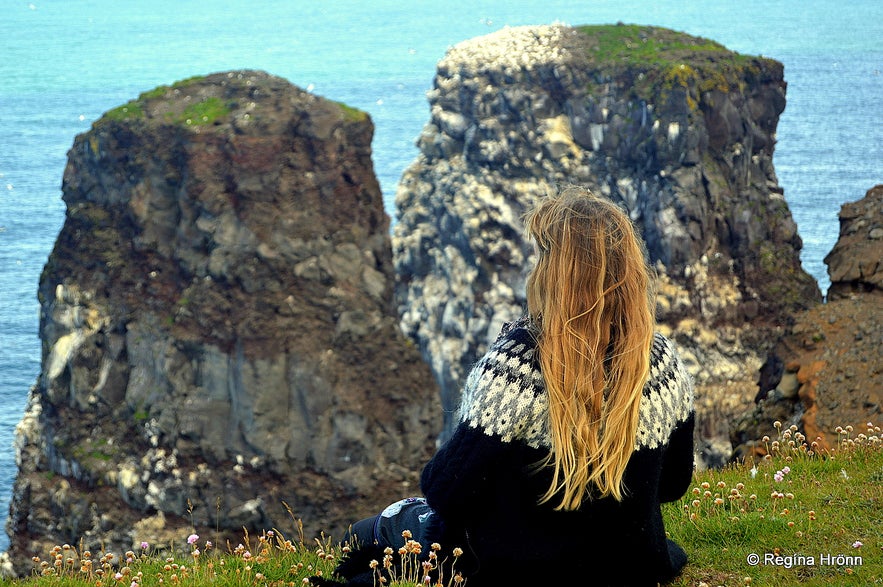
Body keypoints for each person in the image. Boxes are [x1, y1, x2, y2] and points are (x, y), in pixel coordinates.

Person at [314, 186, 695, 587]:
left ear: (556, 273)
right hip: (628, 567)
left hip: (515, 569)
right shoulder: (662, 364)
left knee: (365, 534)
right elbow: (673, 485)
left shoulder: (517, 366)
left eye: (543, 255)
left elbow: (447, 491)